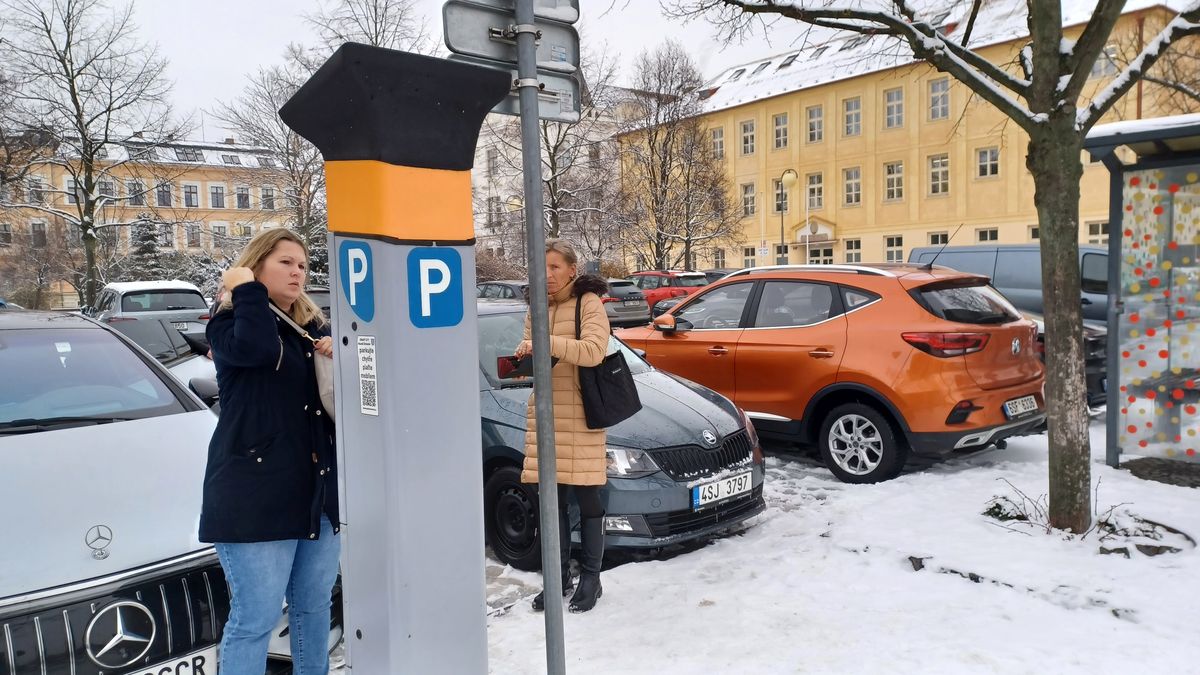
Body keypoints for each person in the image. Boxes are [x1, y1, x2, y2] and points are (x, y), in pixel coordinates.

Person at [200, 228, 339, 675]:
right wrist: (246, 292)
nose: (298, 271)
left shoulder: (312, 328)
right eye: (286, 262)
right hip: (254, 496)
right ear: (256, 265)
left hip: (315, 493)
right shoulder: (229, 323)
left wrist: (340, 354)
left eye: (303, 264)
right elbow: (257, 349)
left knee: (314, 609)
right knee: (255, 619)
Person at [516, 239, 611, 613]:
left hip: (583, 416)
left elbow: (593, 351)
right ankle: (557, 579)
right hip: (546, 414)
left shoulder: (588, 303)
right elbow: (534, 354)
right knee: (550, 505)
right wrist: (521, 357)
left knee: (588, 501)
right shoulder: (536, 307)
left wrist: (545, 342)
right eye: (541, 267)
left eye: (555, 267)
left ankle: (591, 578)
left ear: (573, 269)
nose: (547, 275)